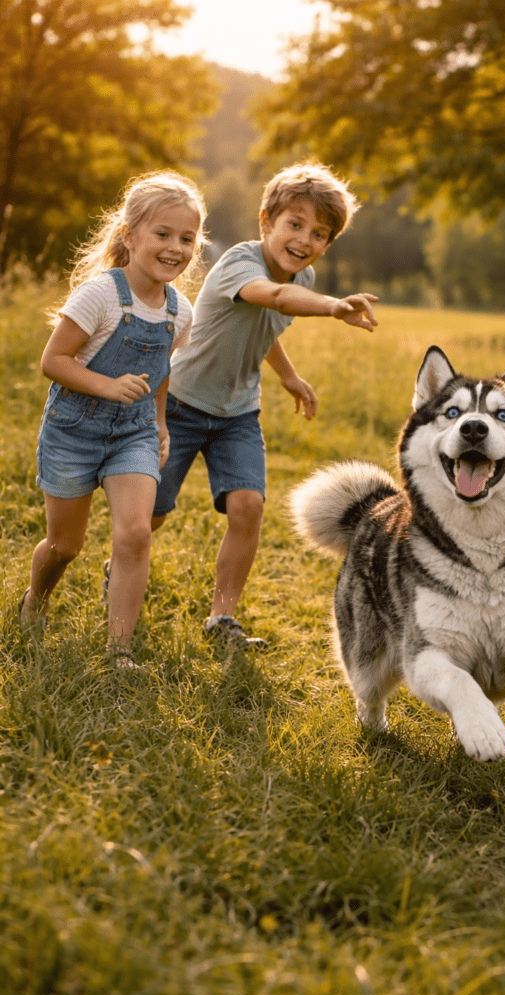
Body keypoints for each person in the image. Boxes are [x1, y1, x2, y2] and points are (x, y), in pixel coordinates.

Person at [150, 162, 378, 649]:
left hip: (237, 414)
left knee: (248, 506)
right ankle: (123, 564)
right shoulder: (239, 262)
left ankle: (222, 619)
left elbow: (265, 325)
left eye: (319, 233)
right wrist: (335, 306)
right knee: (153, 511)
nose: (304, 239)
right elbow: (273, 298)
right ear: (265, 222)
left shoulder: (304, 276)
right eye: (294, 224)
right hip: (182, 404)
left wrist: (289, 376)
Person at [20, 170, 206, 669]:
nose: (176, 248)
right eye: (162, 234)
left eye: (187, 238)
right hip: (74, 430)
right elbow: (52, 361)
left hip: (134, 432)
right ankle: (36, 597)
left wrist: (162, 423)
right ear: (129, 236)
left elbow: (161, 370)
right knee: (65, 546)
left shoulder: (179, 311)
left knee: (134, 533)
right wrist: (107, 386)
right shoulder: (100, 294)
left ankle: (119, 651)